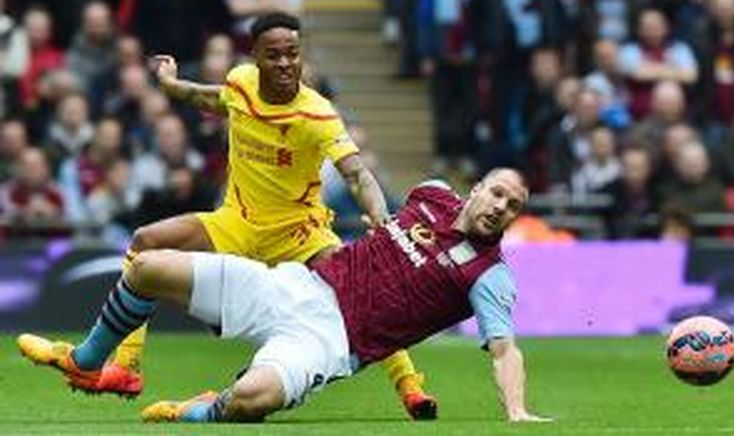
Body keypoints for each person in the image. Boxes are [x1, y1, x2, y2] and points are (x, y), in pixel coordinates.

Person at [88, 12, 437, 419]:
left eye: (293, 53)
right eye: (274, 55)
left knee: (361, 298)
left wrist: (381, 219)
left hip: (300, 233)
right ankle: (127, 367)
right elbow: (211, 99)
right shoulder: (240, 83)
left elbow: (357, 174)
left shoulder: (318, 114)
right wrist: (169, 84)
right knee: (147, 241)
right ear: (254, 56)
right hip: (239, 222)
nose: (286, 63)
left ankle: (410, 388)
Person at [17, 168, 550, 424]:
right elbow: (374, 200)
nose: (501, 207)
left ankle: (206, 411)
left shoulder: (489, 274)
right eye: (498, 193)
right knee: (148, 267)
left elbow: (504, 348)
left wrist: (518, 411)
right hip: (295, 285)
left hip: (330, 341)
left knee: (254, 400)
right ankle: (87, 361)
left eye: (513, 206)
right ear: (477, 187)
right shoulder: (429, 194)